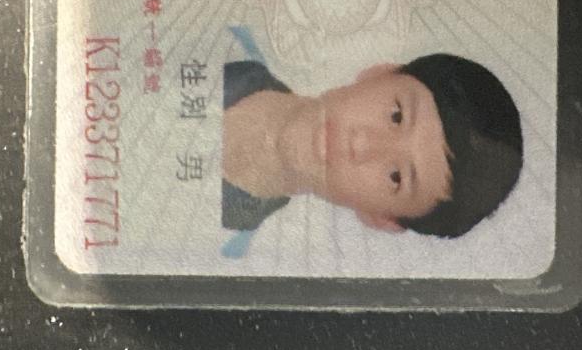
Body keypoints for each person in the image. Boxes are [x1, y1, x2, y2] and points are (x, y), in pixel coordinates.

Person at [221, 28, 523, 252]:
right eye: (396, 115)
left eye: (396, 177)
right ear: (379, 73)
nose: (363, 144)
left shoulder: (227, 247)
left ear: (382, 219)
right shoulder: (223, 45)